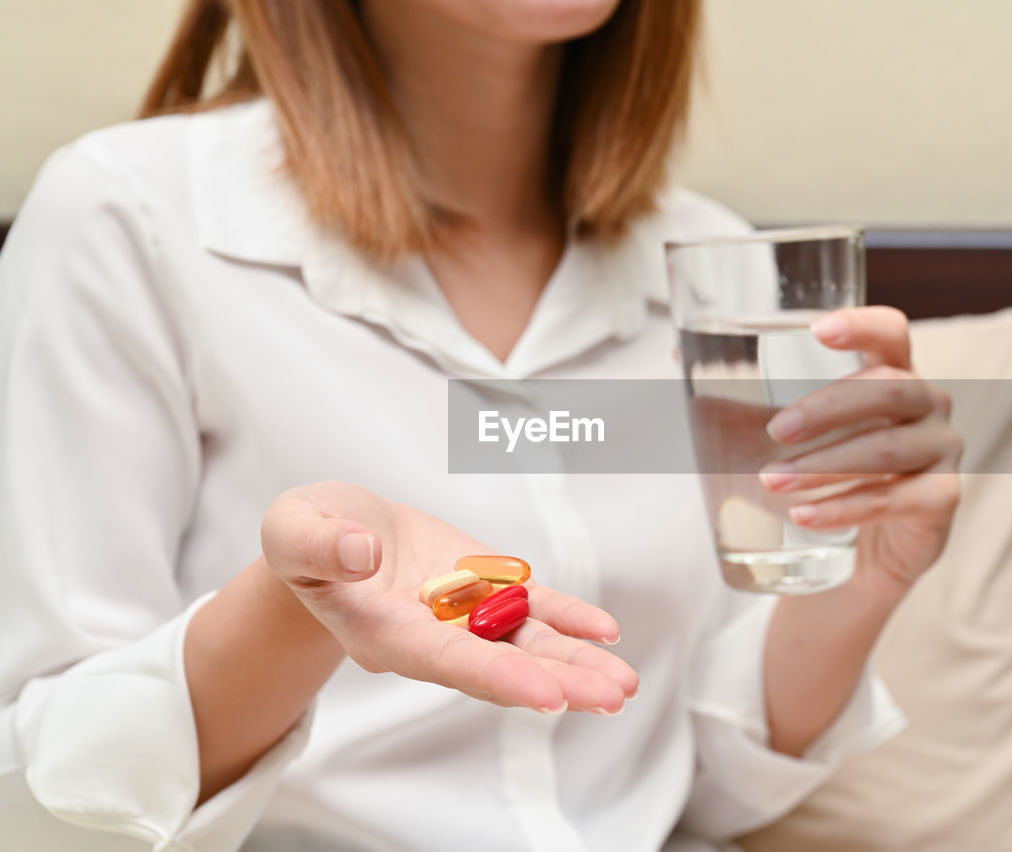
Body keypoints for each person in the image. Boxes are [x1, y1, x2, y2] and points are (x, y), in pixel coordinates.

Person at [0, 0, 962, 849]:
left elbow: (708, 788)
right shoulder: (131, 217)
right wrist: (300, 607)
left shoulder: (712, 274)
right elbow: (46, 805)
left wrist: (858, 578)